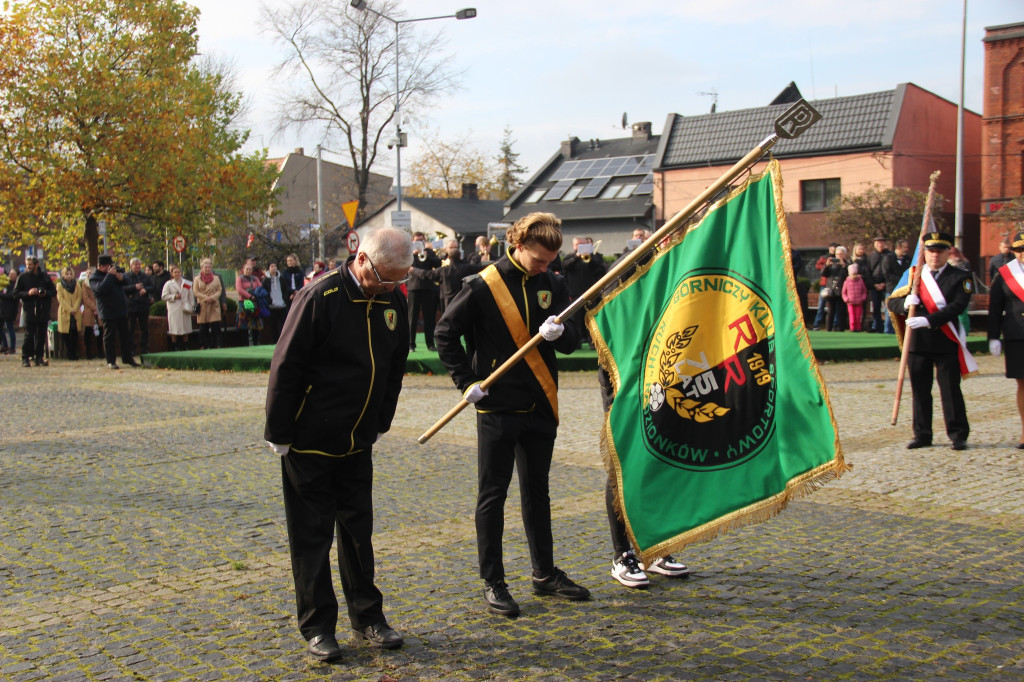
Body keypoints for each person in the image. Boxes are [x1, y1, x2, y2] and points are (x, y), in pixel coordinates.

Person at [264, 227, 413, 662]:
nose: (390, 288)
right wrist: (279, 433)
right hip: (309, 442)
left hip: (357, 441)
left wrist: (381, 420)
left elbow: (395, 367)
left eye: (398, 281)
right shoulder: (319, 298)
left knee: (358, 533)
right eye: (386, 279)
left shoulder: (393, 300)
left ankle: (368, 617)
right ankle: (317, 627)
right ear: (362, 260)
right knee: (312, 539)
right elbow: (285, 367)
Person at [435, 211, 590, 618]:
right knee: (493, 495)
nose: (545, 267)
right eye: (538, 260)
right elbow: (445, 333)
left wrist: (563, 334)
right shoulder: (483, 285)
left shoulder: (554, 283)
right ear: (517, 246)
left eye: (550, 261)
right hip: (497, 405)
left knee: (538, 493)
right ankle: (494, 582)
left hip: (540, 403)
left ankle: (543, 573)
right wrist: (465, 381)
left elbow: (575, 340)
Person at [887, 231, 973, 451]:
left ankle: (958, 434)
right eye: (931, 251)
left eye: (940, 251)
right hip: (917, 344)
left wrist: (928, 320)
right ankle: (922, 434)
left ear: (948, 253)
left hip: (945, 340)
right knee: (920, 390)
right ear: (925, 252)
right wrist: (905, 304)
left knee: (950, 390)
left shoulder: (960, 276)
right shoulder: (914, 275)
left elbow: (957, 306)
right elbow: (892, 302)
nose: (935, 256)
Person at [986, 232, 1024, 449]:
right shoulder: (1005, 274)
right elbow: (995, 308)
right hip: (1017, 335)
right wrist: (993, 336)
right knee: (1022, 384)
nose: (1023, 254)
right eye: (1019, 250)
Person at [408, 239, 484, 313]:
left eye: (455, 247)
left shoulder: (446, 269)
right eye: (451, 247)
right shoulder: (464, 266)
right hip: (455, 298)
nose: (453, 249)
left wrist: (413, 270)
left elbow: (427, 274)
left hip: (448, 300)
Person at [91, 255, 139, 369]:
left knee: (125, 335)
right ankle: (111, 360)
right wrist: (109, 276)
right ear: (101, 266)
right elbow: (101, 289)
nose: (110, 268)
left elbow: (126, 281)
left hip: (120, 308)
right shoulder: (95, 277)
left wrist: (119, 277)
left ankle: (127, 358)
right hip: (108, 310)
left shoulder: (113, 274)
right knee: (109, 336)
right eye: (108, 266)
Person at [561, 236, 607, 348]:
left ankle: (593, 342)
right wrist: (577, 257)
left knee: (592, 320)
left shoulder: (594, 257)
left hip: (591, 294)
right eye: (578, 244)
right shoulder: (570, 257)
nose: (580, 247)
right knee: (576, 320)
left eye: (583, 244)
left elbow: (601, 269)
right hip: (575, 294)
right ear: (574, 246)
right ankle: (577, 342)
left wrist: (591, 258)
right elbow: (565, 266)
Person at [13, 255, 55, 367]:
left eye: (30, 264)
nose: (28, 267)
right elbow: (15, 294)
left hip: (42, 309)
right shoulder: (22, 277)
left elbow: (53, 291)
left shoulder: (44, 277)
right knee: (29, 335)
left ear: (36, 265)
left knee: (41, 335)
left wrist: (45, 293)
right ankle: (25, 357)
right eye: (27, 264)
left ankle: (39, 357)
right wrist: (28, 293)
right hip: (29, 309)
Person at [408, 232, 442, 351]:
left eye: (421, 241)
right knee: (412, 317)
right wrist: (413, 255)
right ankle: (411, 344)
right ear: (412, 241)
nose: (419, 243)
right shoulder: (409, 253)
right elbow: (406, 267)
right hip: (414, 288)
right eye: (417, 241)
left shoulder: (429, 251)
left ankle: (430, 343)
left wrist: (429, 256)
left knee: (430, 317)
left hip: (429, 287)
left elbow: (438, 264)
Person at [124, 258, 157, 356]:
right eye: (135, 265)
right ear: (131, 266)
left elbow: (152, 287)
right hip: (131, 306)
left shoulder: (145, 276)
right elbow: (123, 289)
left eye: (139, 265)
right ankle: (131, 349)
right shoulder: (126, 277)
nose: (138, 266)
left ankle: (144, 348)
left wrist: (145, 289)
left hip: (143, 305)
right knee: (131, 328)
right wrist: (134, 287)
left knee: (144, 329)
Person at [55, 266, 83, 360]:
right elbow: (60, 299)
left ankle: (74, 352)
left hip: (75, 313)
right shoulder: (59, 285)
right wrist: (69, 309)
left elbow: (79, 297)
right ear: (63, 275)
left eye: (71, 274)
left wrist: (74, 308)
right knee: (65, 334)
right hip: (65, 312)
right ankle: (70, 353)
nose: (69, 276)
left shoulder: (77, 285)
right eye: (67, 274)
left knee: (74, 333)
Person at [194, 258, 222, 349]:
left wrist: (212, 298)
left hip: (214, 305)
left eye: (209, 267)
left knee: (215, 326)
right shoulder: (197, 279)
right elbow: (195, 292)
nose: (208, 269)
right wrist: (205, 298)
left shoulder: (216, 278)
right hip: (203, 305)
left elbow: (219, 290)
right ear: (202, 268)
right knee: (203, 327)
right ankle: (204, 344)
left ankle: (215, 344)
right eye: (206, 267)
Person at [261, 262, 292, 343]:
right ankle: (275, 342)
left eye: (275, 266)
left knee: (284, 325)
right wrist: (269, 301)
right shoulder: (265, 280)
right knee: (273, 326)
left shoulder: (281, 278)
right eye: (272, 266)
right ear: (269, 268)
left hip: (282, 305)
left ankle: (284, 342)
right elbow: (263, 292)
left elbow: (286, 289)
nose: (274, 268)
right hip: (272, 307)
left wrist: (285, 298)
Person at [821, 246, 850, 332]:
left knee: (842, 311)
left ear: (845, 254)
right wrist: (826, 265)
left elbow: (848, 275)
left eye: (841, 254)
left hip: (842, 290)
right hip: (831, 290)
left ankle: (841, 329)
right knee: (830, 311)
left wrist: (844, 266)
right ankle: (828, 329)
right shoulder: (831, 264)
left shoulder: (847, 264)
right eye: (837, 254)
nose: (839, 256)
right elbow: (823, 274)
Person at [865, 237, 891, 333]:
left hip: (886, 286)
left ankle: (888, 329)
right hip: (874, 286)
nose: (879, 245)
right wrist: (874, 284)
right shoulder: (871, 257)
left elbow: (891, 271)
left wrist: (885, 283)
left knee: (888, 308)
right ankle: (877, 328)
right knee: (876, 308)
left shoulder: (889, 255)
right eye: (877, 243)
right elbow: (867, 273)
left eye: (881, 243)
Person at [236, 262, 263, 346]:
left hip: (254, 302)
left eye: (250, 269)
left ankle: (256, 343)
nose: (248, 271)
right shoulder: (240, 279)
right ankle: (245, 345)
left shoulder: (255, 278)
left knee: (255, 324)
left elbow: (260, 287)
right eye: (247, 269)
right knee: (244, 325)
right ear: (243, 270)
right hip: (244, 302)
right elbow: (239, 290)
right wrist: (249, 296)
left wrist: (255, 295)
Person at [80, 270, 103, 360]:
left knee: (100, 332)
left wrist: (98, 308)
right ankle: (89, 353)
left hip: (99, 310)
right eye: (89, 274)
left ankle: (101, 352)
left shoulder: (99, 283)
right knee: (88, 332)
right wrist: (94, 308)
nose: (90, 275)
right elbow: (86, 298)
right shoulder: (84, 284)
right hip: (89, 311)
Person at [842, 263, 868, 332]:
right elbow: (844, 292)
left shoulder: (861, 281)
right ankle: (852, 328)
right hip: (850, 302)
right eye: (853, 274)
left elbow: (864, 291)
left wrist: (863, 298)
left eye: (855, 274)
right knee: (852, 317)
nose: (854, 276)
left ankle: (858, 328)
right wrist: (846, 299)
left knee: (858, 317)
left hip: (859, 302)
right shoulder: (846, 282)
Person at [0, 270, 18, 355]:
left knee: (10, 328)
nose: (11, 275)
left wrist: (1, 295)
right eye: (10, 274)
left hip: (10, 310)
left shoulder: (15, 285)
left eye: (13, 274)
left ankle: (12, 347)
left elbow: (11, 296)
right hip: (3, 310)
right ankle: (5, 345)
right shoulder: (6, 284)